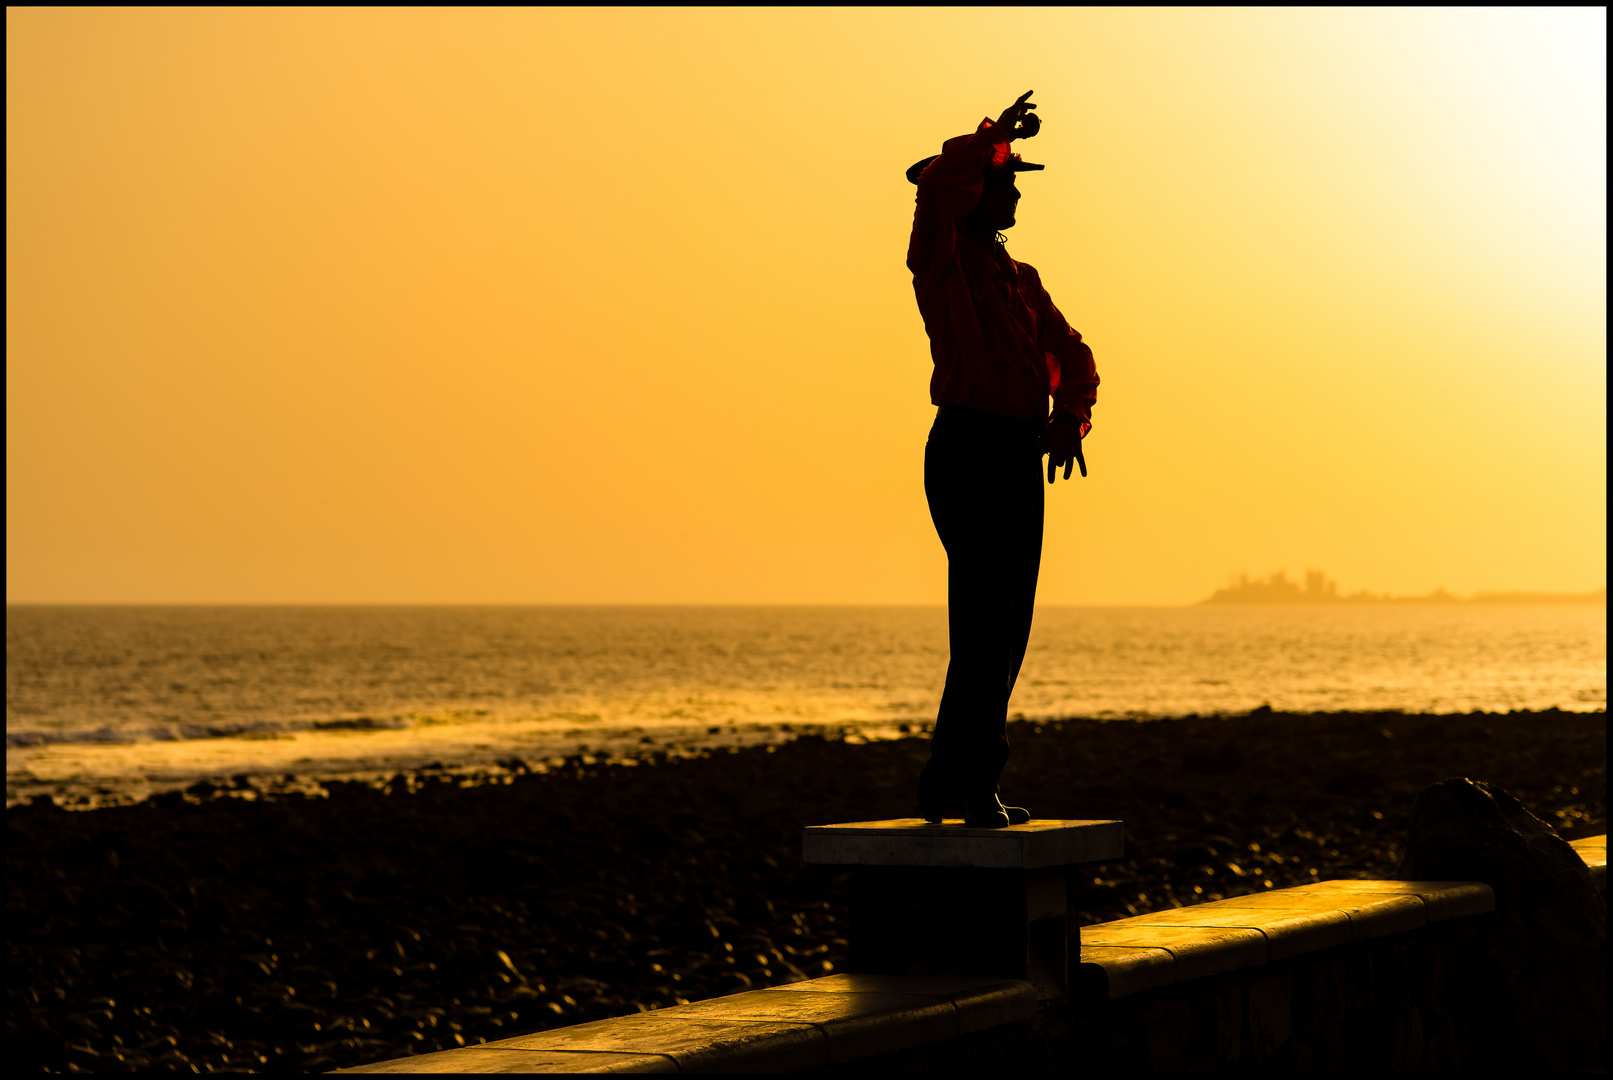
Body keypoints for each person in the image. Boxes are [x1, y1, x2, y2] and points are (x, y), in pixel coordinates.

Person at [906, 91, 1100, 828]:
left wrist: (1068, 420)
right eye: (1005, 177)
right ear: (974, 191)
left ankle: (948, 782)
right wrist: (992, 138)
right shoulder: (941, 257)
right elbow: (936, 186)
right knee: (984, 621)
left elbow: (1074, 354)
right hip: (968, 447)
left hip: (1015, 453)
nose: (1016, 188)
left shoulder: (1019, 279)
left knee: (1004, 625)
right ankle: (966, 781)